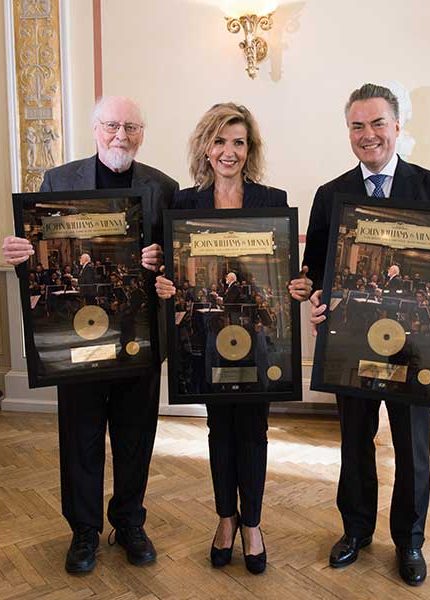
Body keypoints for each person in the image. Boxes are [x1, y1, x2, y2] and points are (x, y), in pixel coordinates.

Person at [303, 83, 430, 586]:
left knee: (412, 447)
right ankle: (355, 531)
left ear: (398, 127)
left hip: (418, 346)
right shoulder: (330, 194)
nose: (368, 134)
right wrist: (311, 294)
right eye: (357, 125)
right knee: (354, 443)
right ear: (348, 132)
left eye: (378, 123)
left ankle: (410, 541)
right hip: (353, 344)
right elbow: (315, 269)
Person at [1, 96, 178, 574]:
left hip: (137, 336)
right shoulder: (59, 181)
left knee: (136, 435)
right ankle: (83, 532)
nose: (122, 136)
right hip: (76, 339)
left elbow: (176, 261)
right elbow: (38, 251)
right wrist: (20, 252)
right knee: (80, 436)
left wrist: (162, 262)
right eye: (112, 126)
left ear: (142, 133)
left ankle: (129, 522)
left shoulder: (164, 186)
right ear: (95, 129)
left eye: (132, 128)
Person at [155, 102, 312, 574]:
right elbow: (171, 272)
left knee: (255, 430)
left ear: (250, 149)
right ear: (206, 146)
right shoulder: (184, 204)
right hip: (208, 340)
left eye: (239, 142)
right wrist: (166, 286)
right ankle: (226, 519)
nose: (230, 151)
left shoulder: (272, 200)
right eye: (221, 141)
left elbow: (284, 275)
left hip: (256, 340)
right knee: (219, 429)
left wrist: (297, 286)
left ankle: (253, 524)